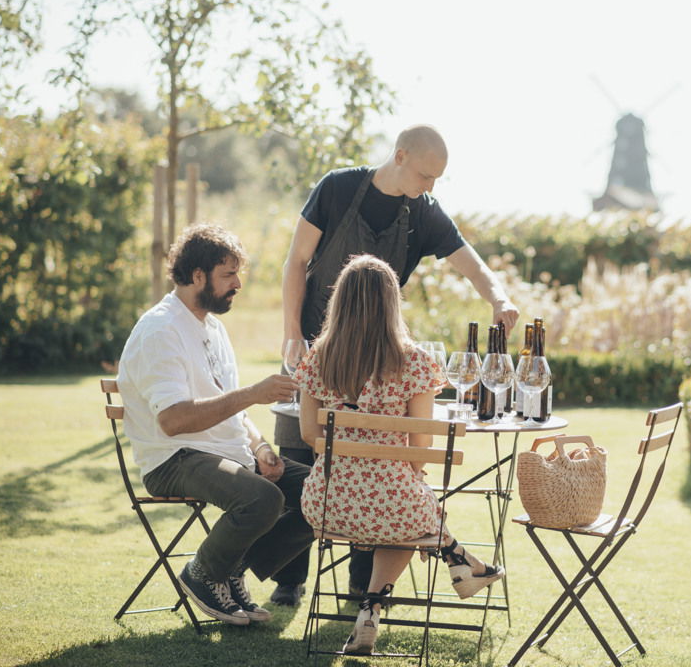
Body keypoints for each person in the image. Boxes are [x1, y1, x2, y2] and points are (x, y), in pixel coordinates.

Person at [269, 123, 520, 604]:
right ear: (400, 156)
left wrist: (499, 298)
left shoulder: (424, 213)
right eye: (427, 174)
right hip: (315, 354)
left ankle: (360, 590)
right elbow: (296, 260)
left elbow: (472, 265)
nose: (432, 186)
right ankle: (288, 581)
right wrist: (292, 334)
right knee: (299, 457)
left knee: (368, 460)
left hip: (377, 362)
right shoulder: (338, 187)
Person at [295, 254, 505, 655]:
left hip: (326, 502)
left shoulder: (317, 358)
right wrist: (398, 473)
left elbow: (309, 433)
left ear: (338, 301)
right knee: (410, 506)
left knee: (405, 505)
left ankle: (451, 567)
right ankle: (450, 565)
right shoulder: (416, 362)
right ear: (393, 302)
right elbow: (419, 453)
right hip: (396, 507)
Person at [117, 223, 313, 626]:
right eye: (228, 275)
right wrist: (253, 394)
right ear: (197, 275)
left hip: (229, 453)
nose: (238, 283)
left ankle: (229, 570)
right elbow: (173, 421)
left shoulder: (214, 328)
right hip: (175, 458)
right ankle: (204, 572)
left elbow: (231, 407)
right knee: (263, 499)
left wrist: (260, 448)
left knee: (326, 493)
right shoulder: (160, 329)